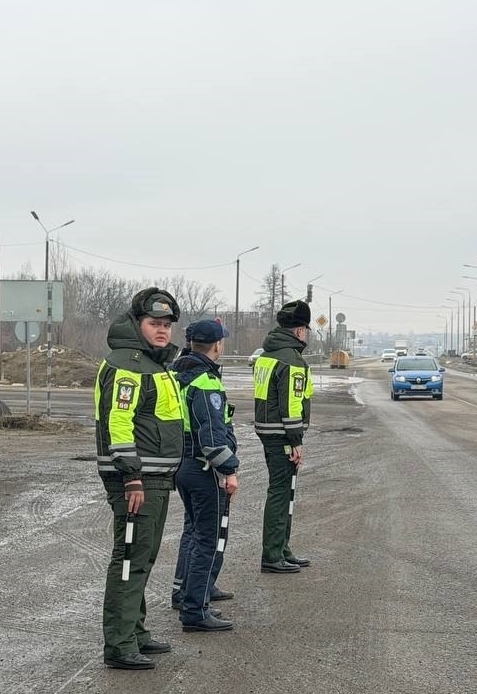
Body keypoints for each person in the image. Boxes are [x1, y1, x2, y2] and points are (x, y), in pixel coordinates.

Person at [94, 287, 184, 670]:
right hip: (136, 479)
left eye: (166, 325)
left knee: (143, 556)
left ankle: (135, 632)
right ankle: (119, 644)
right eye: (154, 324)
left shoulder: (153, 362)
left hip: (156, 477)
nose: (162, 331)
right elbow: (119, 420)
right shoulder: (128, 365)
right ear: (137, 324)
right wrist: (130, 476)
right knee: (130, 557)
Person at [169, 319, 240, 632]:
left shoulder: (177, 374)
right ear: (217, 346)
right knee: (206, 539)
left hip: (182, 464)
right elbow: (212, 438)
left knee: (192, 530)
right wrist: (230, 469)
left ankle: (184, 592)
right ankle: (195, 611)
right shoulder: (206, 383)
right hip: (203, 468)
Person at [252, 300, 315, 574]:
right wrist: (296, 441)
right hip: (282, 436)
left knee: (285, 491)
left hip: (268, 431)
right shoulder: (291, 360)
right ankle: (273, 554)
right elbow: (291, 405)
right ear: (300, 331)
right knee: (281, 493)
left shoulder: (267, 355)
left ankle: (282, 548)